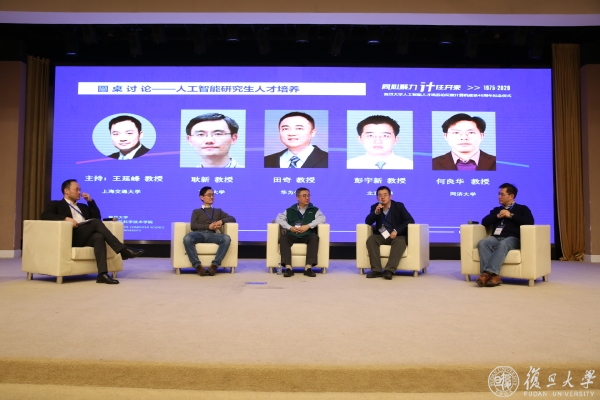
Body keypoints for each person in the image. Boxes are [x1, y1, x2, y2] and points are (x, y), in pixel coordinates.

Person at [40, 179, 145, 284]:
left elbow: (97, 218)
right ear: (66, 191)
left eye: (80, 190)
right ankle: (122, 250)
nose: (79, 192)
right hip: (71, 236)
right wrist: (65, 218)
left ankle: (102, 274)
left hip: (84, 237)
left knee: (98, 237)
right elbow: (45, 216)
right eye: (76, 190)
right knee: (96, 223)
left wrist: (90, 201)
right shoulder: (57, 204)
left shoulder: (82, 207)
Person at [476, 183, 534, 287]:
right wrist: (498, 216)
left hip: (513, 238)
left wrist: (511, 215)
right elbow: (484, 221)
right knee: (483, 242)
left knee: (503, 244)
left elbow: (530, 222)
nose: (499, 196)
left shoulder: (522, 208)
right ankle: (493, 276)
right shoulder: (496, 210)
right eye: (499, 194)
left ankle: (486, 274)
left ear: (511, 196)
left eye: (502, 194)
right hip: (496, 237)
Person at [183, 186, 236, 276]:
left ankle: (214, 266)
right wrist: (208, 226)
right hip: (198, 234)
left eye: (213, 195)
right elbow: (193, 226)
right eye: (209, 195)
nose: (212, 197)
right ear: (202, 197)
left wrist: (221, 221)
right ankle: (198, 266)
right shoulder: (196, 211)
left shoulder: (218, 211)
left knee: (226, 238)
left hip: (212, 235)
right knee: (187, 238)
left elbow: (233, 219)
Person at [364, 186, 415, 280]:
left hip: (397, 235)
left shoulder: (398, 206)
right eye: (380, 195)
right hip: (383, 235)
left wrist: (396, 230)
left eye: (385, 195)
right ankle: (376, 270)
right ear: (377, 198)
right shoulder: (375, 207)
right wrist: (376, 212)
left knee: (399, 242)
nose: (382, 197)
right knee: (371, 239)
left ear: (390, 196)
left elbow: (410, 220)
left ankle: (389, 270)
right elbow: (368, 222)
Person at [275, 187, 326, 277]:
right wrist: (290, 228)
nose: (307, 198)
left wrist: (308, 226)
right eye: (304, 196)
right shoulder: (290, 210)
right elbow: (279, 219)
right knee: (284, 238)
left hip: (307, 234)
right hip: (293, 234)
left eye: (308, 195)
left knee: (314, 237)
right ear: (297, 197)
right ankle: (288, 268)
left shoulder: (314, 210)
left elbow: (322, 219)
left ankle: (308, 268)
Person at [432, 113, 496, 171]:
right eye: (456, 132)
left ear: (482, 136)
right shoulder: (433, 164)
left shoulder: (496, 162)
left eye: (471, 132)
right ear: (446, 136)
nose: (464, 138)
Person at [347, 115, 413, 169]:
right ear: (360, 139)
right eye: (370, 135)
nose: (378, 141)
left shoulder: (409, 165)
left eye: (385, 136)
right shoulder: (350, 165)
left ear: (396, 139)